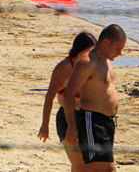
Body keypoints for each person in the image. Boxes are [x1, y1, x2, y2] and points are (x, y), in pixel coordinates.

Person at [62, 24, 127, 172]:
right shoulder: (87, 63)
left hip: (108, 122)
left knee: (93, 168)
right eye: (118, 48)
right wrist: (71, 127)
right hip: (93, 121)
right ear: (105, 42)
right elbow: (68, 93)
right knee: (107, 169)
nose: (120, 53)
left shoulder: (105, 61)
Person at [37, 31, 97, 171]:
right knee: (80, 166)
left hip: (87, 118)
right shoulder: (65, 67)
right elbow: (49, 95)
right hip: (67, 118)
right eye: (89, 51)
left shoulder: (90, 66)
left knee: (85, 165)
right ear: (80, 50)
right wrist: (45, 125)